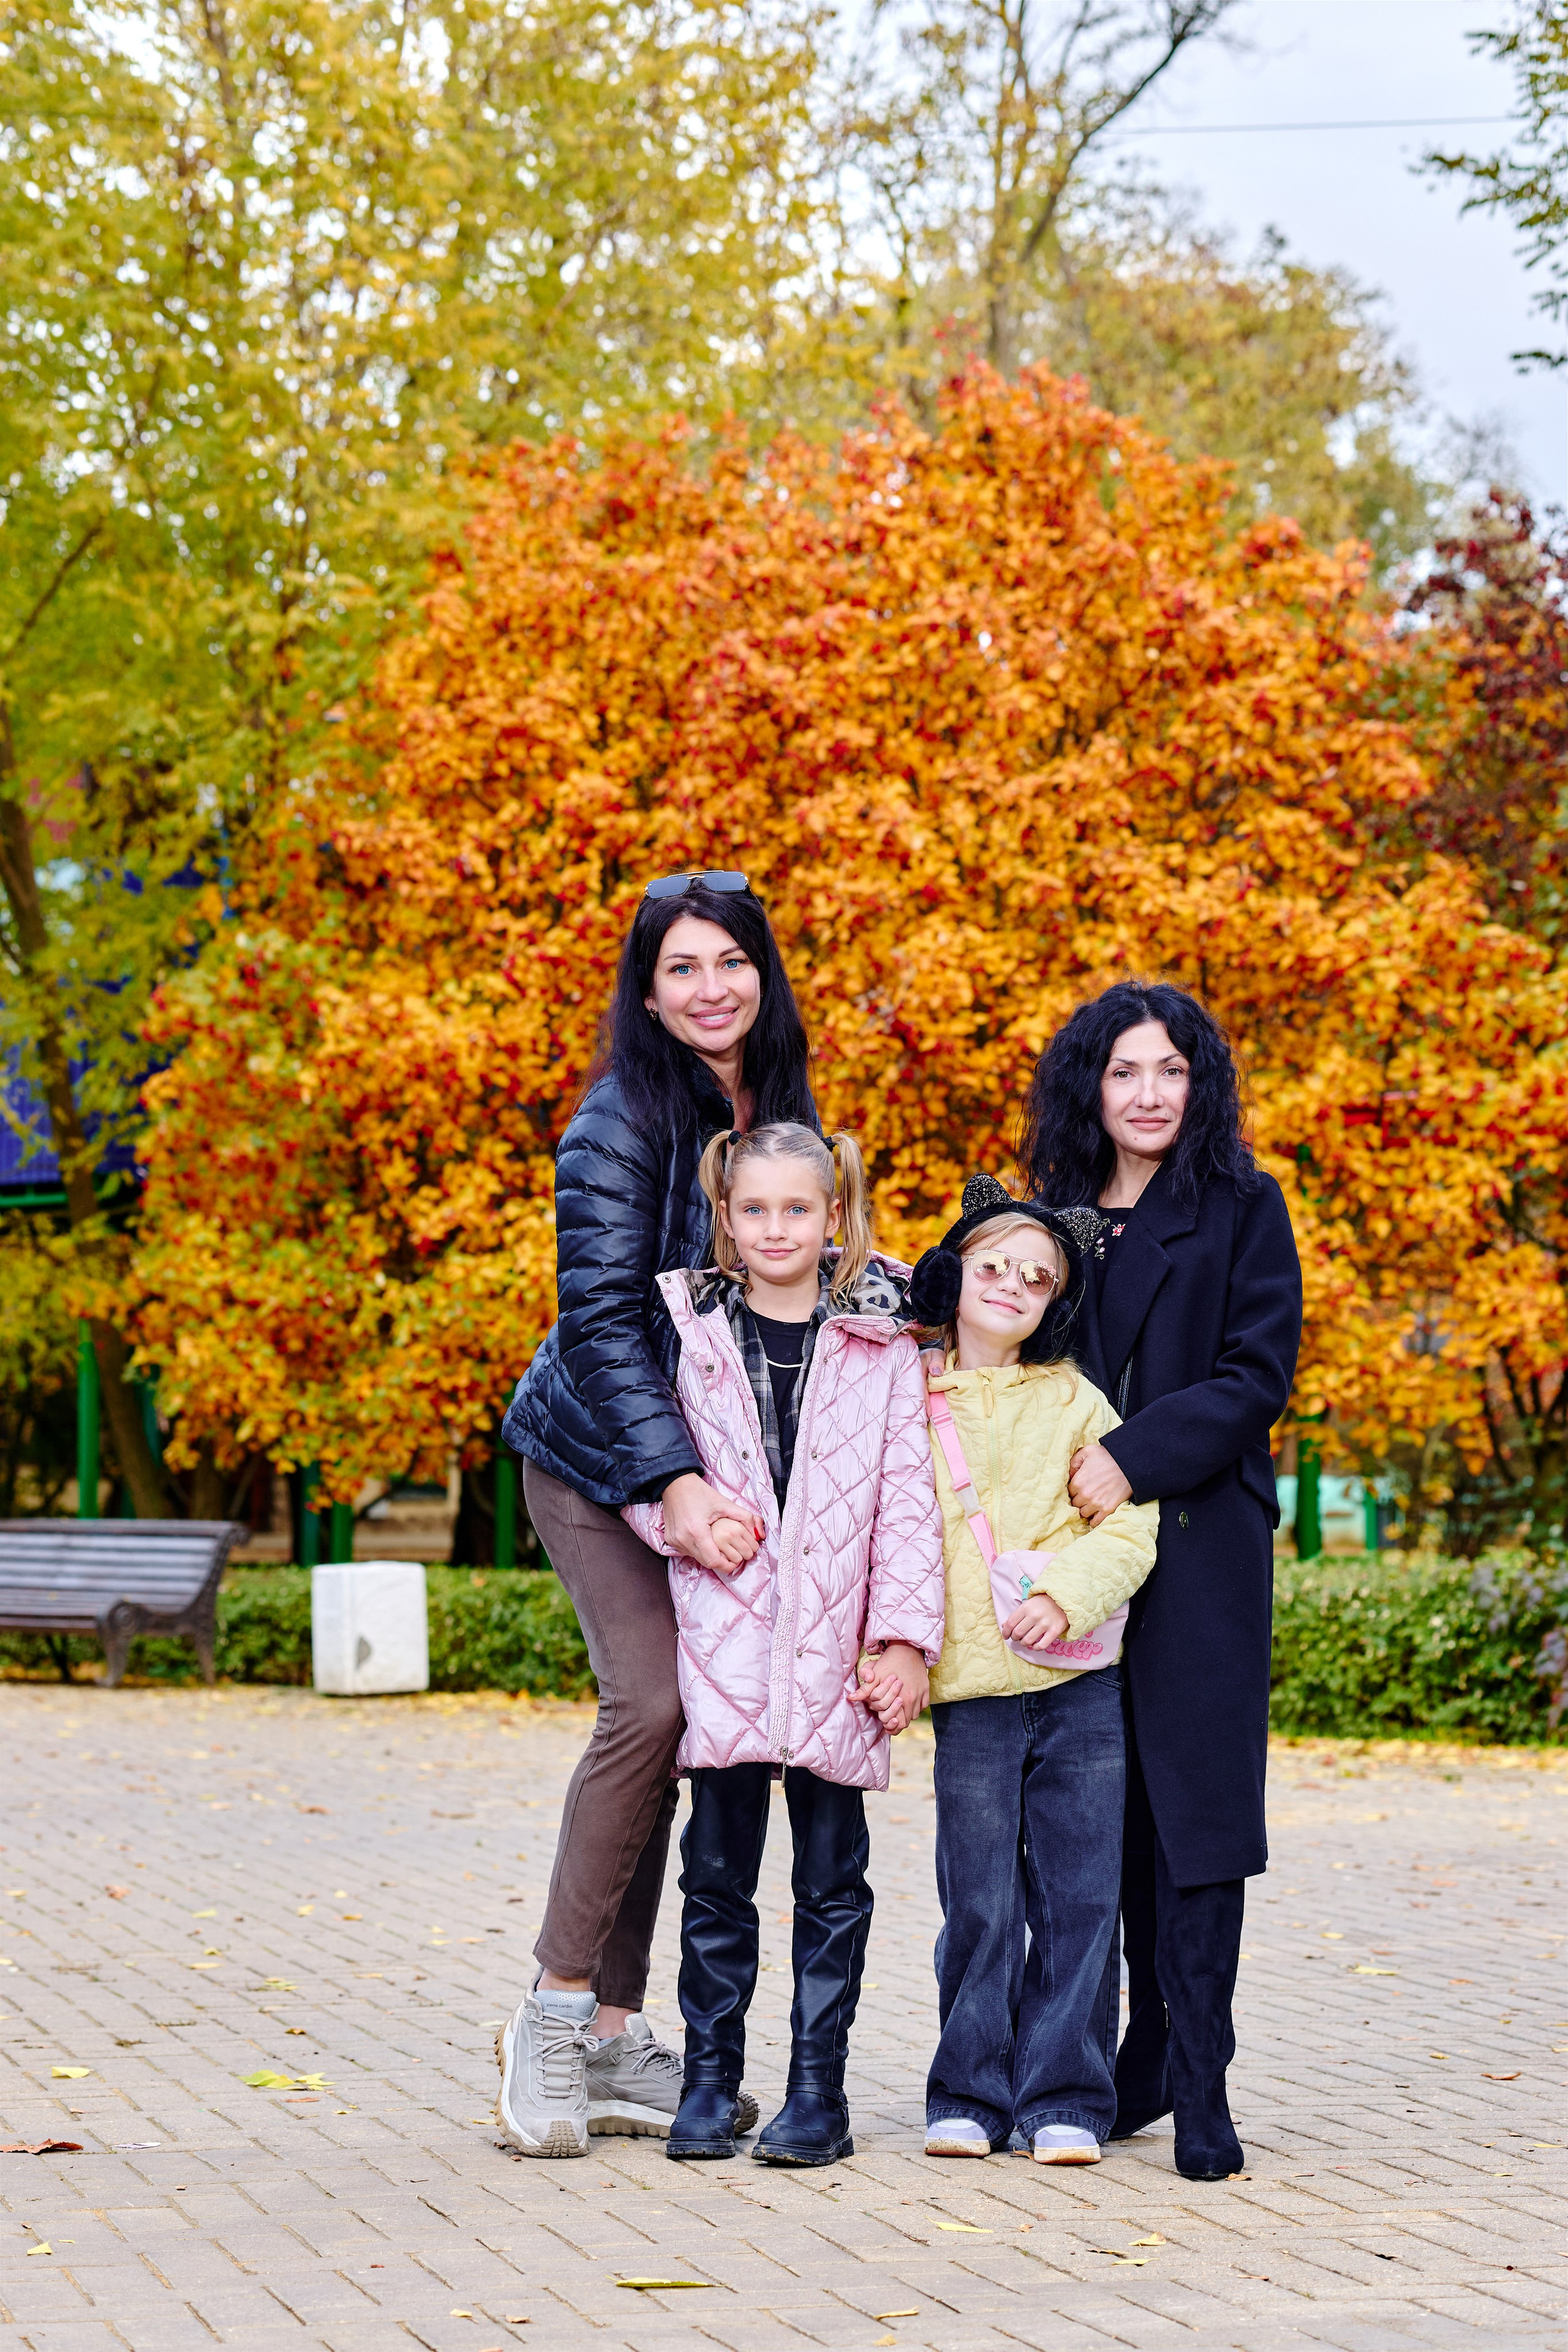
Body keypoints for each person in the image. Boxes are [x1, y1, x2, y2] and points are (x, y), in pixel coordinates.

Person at [494, 872, 817, 2158]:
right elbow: (605, 1323)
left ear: (761, 974)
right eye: (679, 969)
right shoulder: (617, 1121)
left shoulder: (771, 1110)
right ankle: (548, 2021)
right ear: (645, 989)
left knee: (690, 1730)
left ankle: (621, 2040)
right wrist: (672, 1484)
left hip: (703, 1465)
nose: (707, 989)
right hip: (588, 1456)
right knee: (652, 1705)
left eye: (728, 962)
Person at [1020, 981, 1303, 2182]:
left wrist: (1128, 1456)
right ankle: (1132, 2052)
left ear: (1198, 1084)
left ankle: (1201, 2079)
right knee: (1105, 1814)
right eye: (1123, 1071)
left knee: (1196, 1815)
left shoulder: (1241, 1206)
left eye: (1169, 1071)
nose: (1146, 1094)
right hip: (1073, 1562)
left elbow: (1254, 1378)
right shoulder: (1049, 1219)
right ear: (1090, 1084)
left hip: (1196, 1548)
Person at [624, 1121, 944, 2166]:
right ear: (725, 1217)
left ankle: (819, 2092)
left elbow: (907, 1501)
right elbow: (641, 1464)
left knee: (830, 1881)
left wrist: (903, 1640)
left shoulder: (885, 1343)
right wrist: (676, 1519)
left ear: (834, 1216)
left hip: (836, 1650)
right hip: (723, 1638)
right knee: (715, 1875)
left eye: (796, 1209)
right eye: (753, 1209)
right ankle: (711, 2082)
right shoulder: (687, 1327)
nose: (775, 1228)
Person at [905, 1174, 1159, 2166]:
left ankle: (1065, 2098)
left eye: (1039, 1277)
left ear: (1057, 1302)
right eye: (995, 1265)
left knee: (1080, 1894)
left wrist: (1072, 1594)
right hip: (971, 1693)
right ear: (956, 1271)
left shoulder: (1074, 1399)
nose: (1013, 1284)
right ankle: (968, 2090)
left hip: (1079, 1684)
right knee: (979, 1899)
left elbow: (1129, 1522)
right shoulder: (903, 1393)